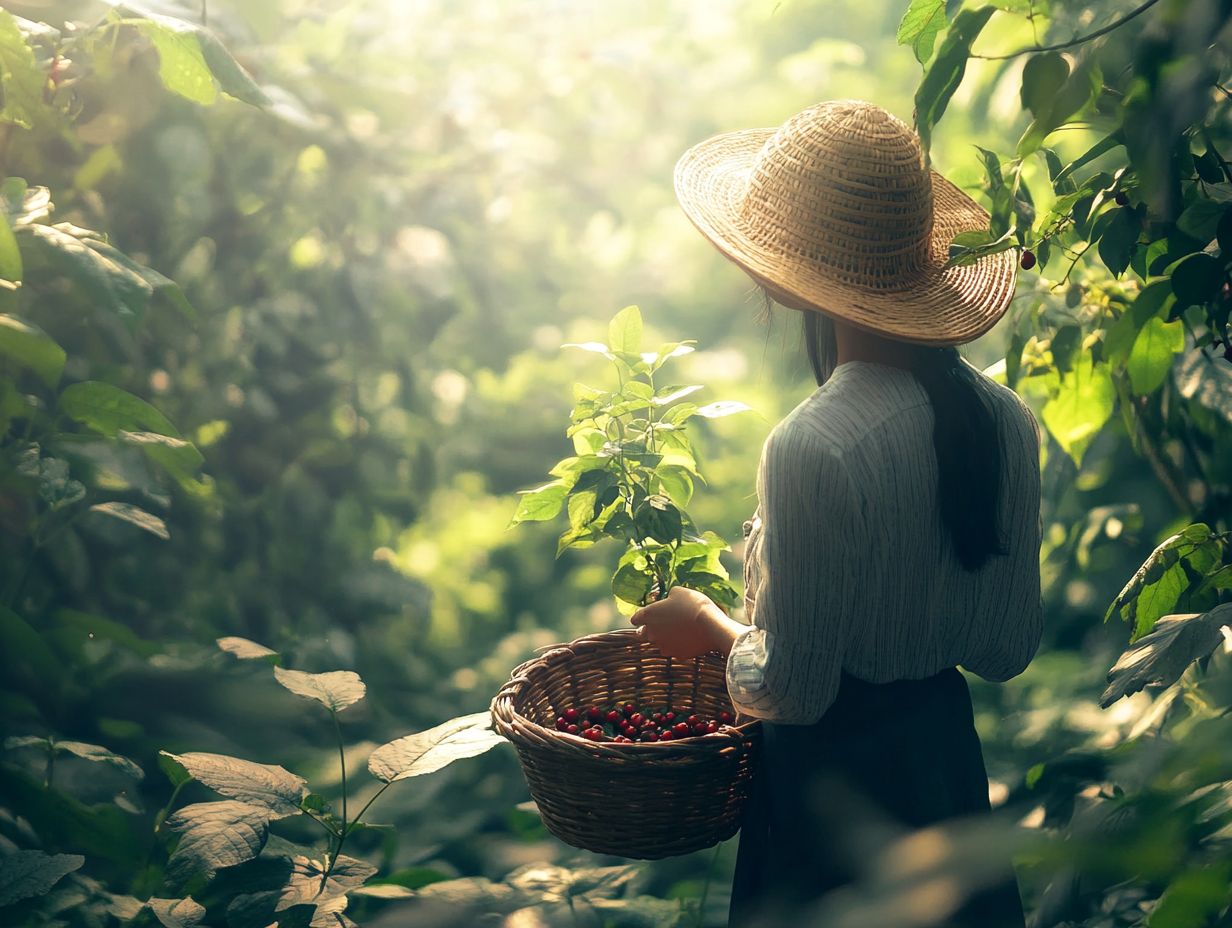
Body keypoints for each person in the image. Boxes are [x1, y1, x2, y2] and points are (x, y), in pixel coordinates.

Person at [629, 99, 1043, 927]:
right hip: (945, 775)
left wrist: (707, 623)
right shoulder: (1005, 420)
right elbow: (1006, 649)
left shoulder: (816, 445)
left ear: (783, 277)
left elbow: (795, 688)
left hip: (832, 802)